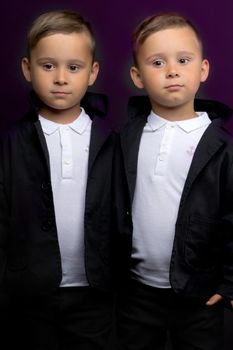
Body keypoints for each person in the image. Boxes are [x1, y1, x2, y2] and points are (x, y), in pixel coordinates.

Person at [115, 12, 233, 350]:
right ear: (137, 76)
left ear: (203, 69)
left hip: (198, 295)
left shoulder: (222, 147)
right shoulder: (123, 139)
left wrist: (230, 283)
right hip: (135, 293)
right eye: (157, 62)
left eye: (183, 60)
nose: (172, 70)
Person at [0, 9, 115, 350]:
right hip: (31, 294)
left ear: (92, 72)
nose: (61, 78)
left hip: (95, 293)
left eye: (74, 67)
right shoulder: (13, 141)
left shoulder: (111, 141)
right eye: (48, 66)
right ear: (27, 69)